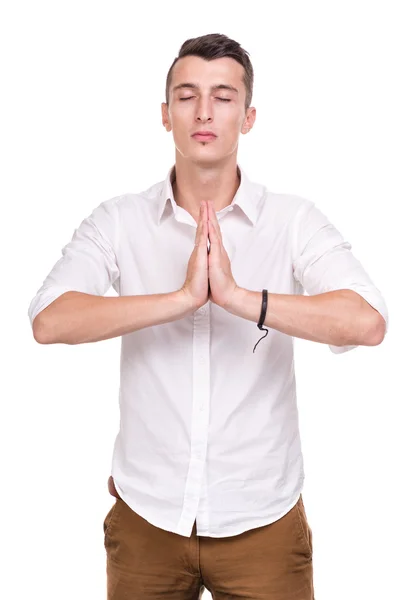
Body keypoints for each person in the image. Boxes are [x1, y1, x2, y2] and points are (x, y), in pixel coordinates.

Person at [28, 32, 388, 600]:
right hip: (147, 519)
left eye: (223, 96)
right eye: (187, 94)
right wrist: (181, 299)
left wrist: (241, 298)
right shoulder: (119, 220)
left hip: (262, 523)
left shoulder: (293, 220)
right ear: (165, 114)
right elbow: (49, 319)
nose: (203, 111)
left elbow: (366, 321)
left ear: (247, 118)